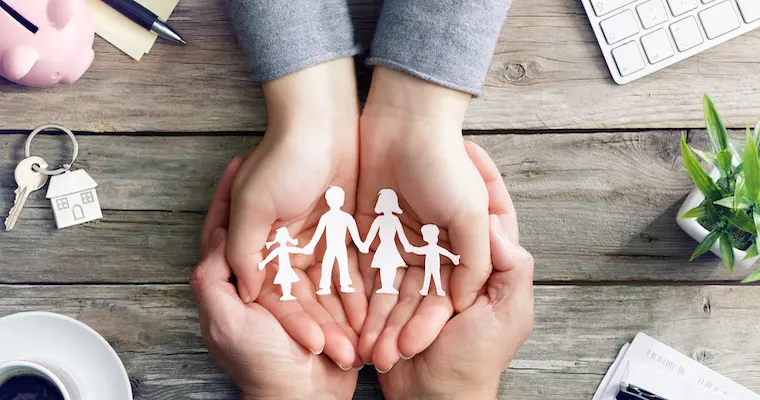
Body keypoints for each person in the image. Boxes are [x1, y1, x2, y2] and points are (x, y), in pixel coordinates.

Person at [192, 146, 534, 398]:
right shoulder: (332, 216)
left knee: (339, 271)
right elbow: (344, 235)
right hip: (352, 253)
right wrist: (457, 389)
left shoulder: (346, 217)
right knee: (332, 273)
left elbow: (364, 236)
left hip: (366, 254)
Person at [302, 186, 366, 295]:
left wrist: (361, 245)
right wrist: (311, 246)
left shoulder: (346, 217)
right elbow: (318, 233)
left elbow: (355, 234)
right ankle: (325, 287)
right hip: (331, 247)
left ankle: (344, 285)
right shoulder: (326, 217)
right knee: (327, 265)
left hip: (340, 247)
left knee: (342, 265)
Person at [361, 189, 414, 294]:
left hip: (391, 245)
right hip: (383, 245)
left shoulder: (395, 220)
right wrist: (365, 244)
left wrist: (407, 245)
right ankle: (385, 286)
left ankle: (389, 286)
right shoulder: (379, 220)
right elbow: (372, 233)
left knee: (391, 265)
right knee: (384, 266)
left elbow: (401, 234)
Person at [410, 224, 461, 297]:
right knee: (429, 276)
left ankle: (436, 290)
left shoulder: (434, 248)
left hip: (435, 265)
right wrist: (411, 248)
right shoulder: (429, 248)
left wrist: (453, 257)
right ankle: (426, 289)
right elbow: (419, 251)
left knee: (435, 276)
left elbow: (445, 252)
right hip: (429, 265)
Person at [257, 226, 305, 301]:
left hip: (287, 268)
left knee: (287, 280)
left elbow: (296, 250)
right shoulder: (279, 250)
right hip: (283, 268)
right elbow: (270, 256)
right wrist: (263, 263)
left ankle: (287, 294)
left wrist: (303, 250)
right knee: (285, 280)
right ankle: (286, 295)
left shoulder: (285, 249)